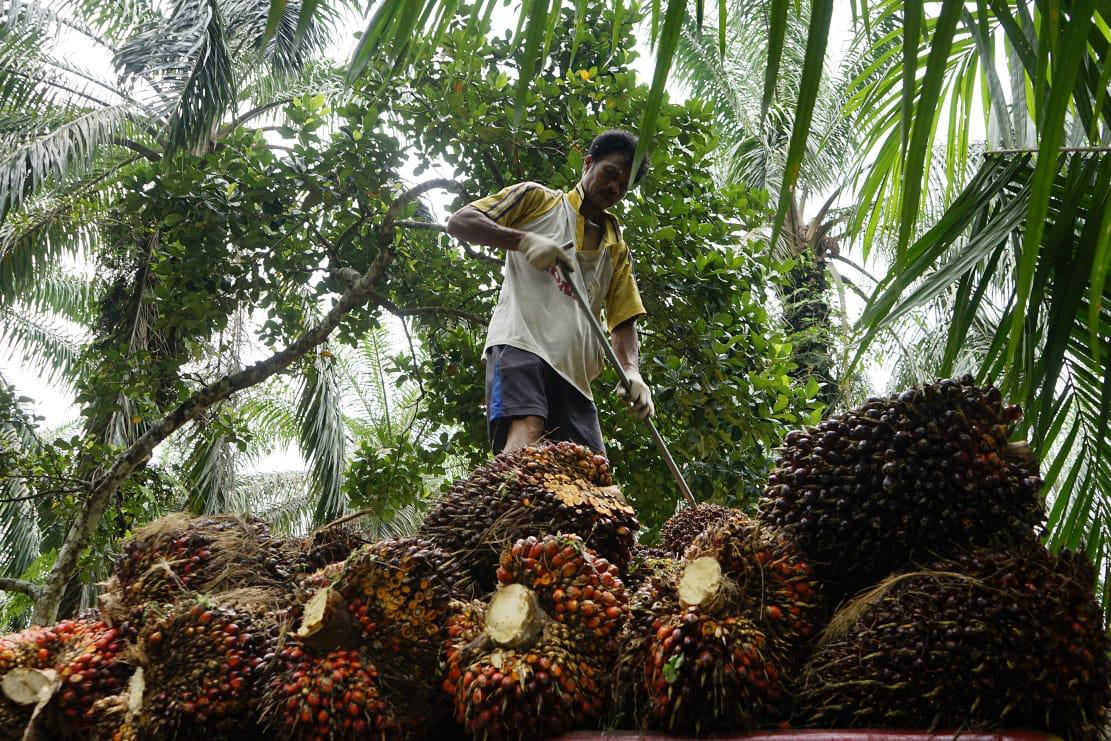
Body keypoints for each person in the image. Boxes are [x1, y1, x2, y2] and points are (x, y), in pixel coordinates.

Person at [446, 128, 653, 456]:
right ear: (588, 164)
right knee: (527, 432)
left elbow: (623, 321)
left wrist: (632, 371)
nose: (613, 187)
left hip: (575, 376)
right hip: (521, 345)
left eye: (623, 186)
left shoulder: (617, 249)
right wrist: (523, 240)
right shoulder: (537, 201)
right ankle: (500, 503)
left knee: (595, 481)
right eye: (609, 174)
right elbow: (460, 221)